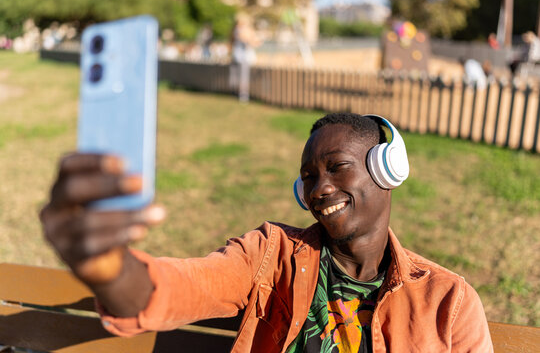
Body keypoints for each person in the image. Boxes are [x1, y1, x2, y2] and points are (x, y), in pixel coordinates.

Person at [40, 113, 493, 352]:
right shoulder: (270, 255)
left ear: (387, 170)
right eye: (309, 178)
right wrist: (106, 268)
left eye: (337, 168)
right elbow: (178, 288)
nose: (321, 189)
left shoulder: (449, 303)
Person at [229, 14, 260, 102]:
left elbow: (253, 41)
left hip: (242, 55)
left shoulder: (240, 30)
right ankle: (243, 95)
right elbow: (247, 40)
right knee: (243, 76)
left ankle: (241, 93)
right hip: (242, 56)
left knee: (240, 75)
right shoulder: (239, 30)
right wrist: (251, 41)